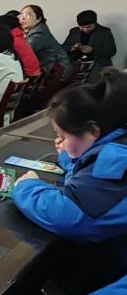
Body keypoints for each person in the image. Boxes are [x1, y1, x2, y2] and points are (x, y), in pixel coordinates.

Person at [12, 69, 127, 271]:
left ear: (93, 130)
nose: (60, 141)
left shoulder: (116, 160)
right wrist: (74, 156)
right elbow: (92, 180)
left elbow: (75, 218)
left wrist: (28, 187)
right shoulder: (117, 142)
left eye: (63, 136)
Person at [63, 10, 116, 82]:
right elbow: (63, 48)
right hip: (76, 64)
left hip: (97, 64)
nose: (85, 30)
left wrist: (93, 50)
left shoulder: (105, 32)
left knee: (95, 82)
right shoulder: (74, 31)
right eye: (82, 27)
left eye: (89, 27)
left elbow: (111, 51)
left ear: (95, 23)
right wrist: (72, 48)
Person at [19, 4, 71, 75]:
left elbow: (24, 52)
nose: (22, 18)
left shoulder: (38, 32)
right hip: (54, 70)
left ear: (39, 18)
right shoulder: (37, 29)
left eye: (28, 15)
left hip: (58, 73)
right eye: (21, 15)